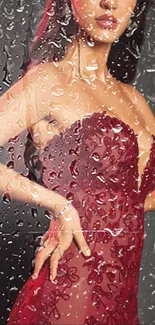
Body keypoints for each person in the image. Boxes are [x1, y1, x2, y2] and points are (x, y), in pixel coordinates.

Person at [1, 0, 154, 324]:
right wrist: (61, 206)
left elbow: (136, 195)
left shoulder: (133, 99)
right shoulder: (48, 81)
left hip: (123, 301)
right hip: (70, 291)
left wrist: (108, 207)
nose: (109, 2)